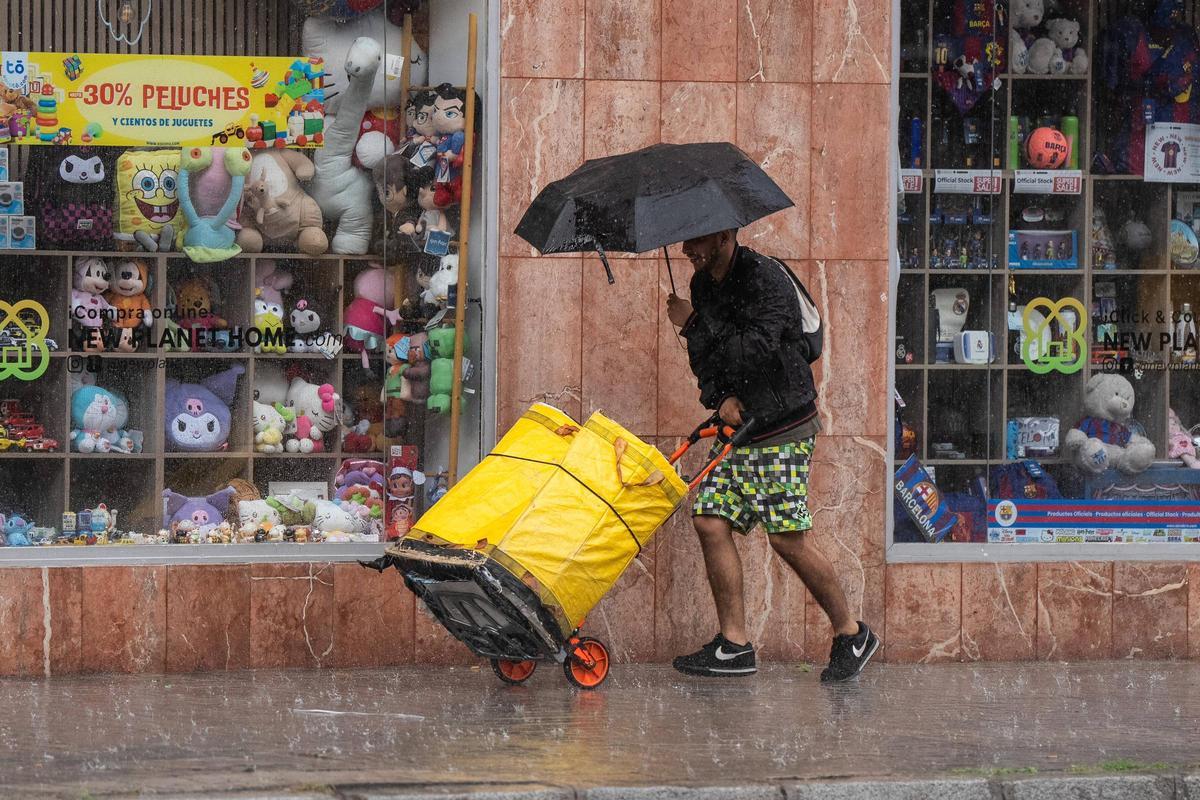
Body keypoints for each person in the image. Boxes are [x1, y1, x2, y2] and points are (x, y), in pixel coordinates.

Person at [665, 228, 881, 682]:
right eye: (685, 243)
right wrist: (719, 396)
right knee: (709, 518)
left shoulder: (764, 279)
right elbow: (708, 361)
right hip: (744, 428)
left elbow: (754, 352)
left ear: (724, 236)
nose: (687, 251)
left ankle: (852, 632)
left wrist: (692, 325)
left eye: (697, 242)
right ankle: (735, 645)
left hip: (784, 425)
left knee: (786, 537)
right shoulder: (703, 285)